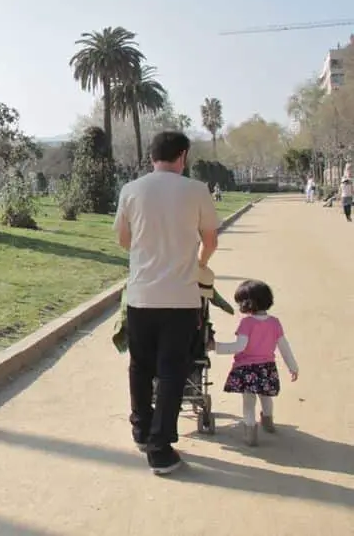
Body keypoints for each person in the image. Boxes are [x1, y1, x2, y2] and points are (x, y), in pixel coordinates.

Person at [113, 130, 219, 475]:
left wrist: (148, 257)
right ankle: (160, 448)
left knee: (140, 366)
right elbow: (210, 239)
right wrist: (198, 263)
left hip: (142, 294)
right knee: (172, 370)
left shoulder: (131, 190)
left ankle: (141, 429)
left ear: (151, 157)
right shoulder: (196, 191)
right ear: (183, 156)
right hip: (181, 297)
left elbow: (123, 240)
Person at [212, 280, 298, 447]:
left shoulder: (247, 323)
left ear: (247, 303)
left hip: (247, 369)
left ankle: (250, 433)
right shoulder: (274, 322)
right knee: (266, 397)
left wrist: (215, 347)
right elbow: (284, 346)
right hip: (267, 368)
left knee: (249, 402)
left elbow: (239, 346)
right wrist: (292, 366)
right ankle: (268, 421)